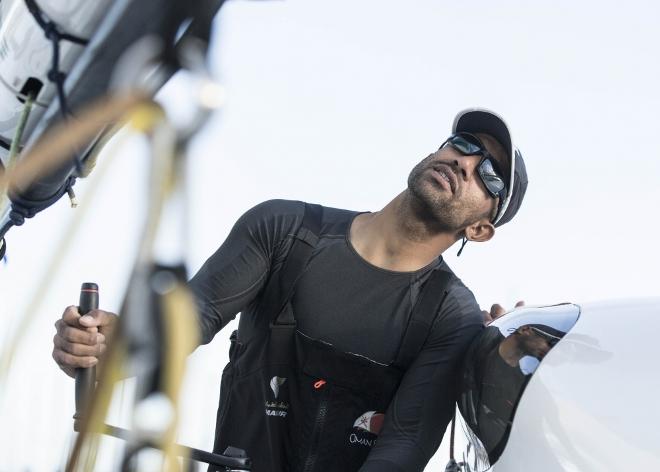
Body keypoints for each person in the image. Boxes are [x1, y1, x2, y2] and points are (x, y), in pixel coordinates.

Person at [52, 108, 528, 472]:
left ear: (481, 230)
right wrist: (105, 345)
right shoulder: (283, 231)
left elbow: (402, 448)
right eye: (465, 144)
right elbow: (182, 326)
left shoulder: (453, 317)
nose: (466, 162)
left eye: (490, 176)